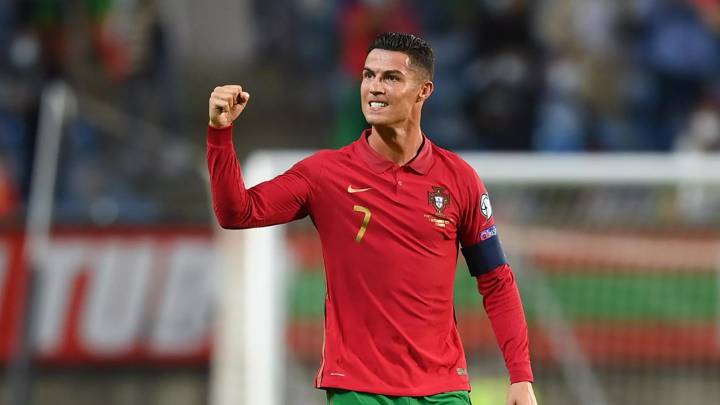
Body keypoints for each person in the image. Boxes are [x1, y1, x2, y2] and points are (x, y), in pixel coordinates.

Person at [207, 32, 537, 405]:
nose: (374, 87)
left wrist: (521, 376)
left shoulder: (459, 180)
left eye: (391, 78)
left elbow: (496, 281)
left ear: (423, 91)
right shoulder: (325, 174)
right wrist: (220, 134)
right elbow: (238, 213)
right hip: (358, 389)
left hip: (443, 390)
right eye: (368, 75)